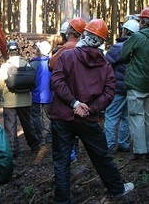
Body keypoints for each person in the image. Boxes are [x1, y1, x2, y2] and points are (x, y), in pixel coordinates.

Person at [50, 19, 134, 202]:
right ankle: (117, 189)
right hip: (88, 119)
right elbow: (109, 91)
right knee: (102, 156)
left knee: (62, 162)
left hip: (63, 117)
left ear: (84, 35)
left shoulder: (67, 56)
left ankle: (62, 200)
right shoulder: (104, 65)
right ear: (102, 42)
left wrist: (74, 104)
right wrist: (90, 109)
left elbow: (56, 81)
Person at [121, 6, 149, 160]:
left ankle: (140, 151)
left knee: (136, 117)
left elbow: (124, 54)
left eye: (140, 20)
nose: (138, 23)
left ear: (144, 23)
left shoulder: (138, 38)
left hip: (136, 84)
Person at [0, 41, 40, 158]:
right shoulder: (26, 64)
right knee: (28, 124)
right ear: (18, 51)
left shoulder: (5, 66)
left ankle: (13, 150)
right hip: (25, 100)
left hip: (9, 101)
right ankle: (34, 145)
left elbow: (0, 84)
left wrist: (3, 95)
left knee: (10, 127)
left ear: (9, 52)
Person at [104, 19, 139, 154]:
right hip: (131, 87)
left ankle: (109, 144)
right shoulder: (138, 45)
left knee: (111, 116)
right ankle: (123, 143)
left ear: (125, 31)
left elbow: (106, 64)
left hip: (118, 88)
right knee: (127, 117)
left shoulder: (118, 47)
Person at [29, 40, 53, 145]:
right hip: (49, 95)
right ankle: (47, 136)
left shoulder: (33, 63)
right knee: (47, 116)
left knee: (36, 116)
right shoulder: (52, 63)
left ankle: (40, 137)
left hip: (36, 95)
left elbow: (29, 80)